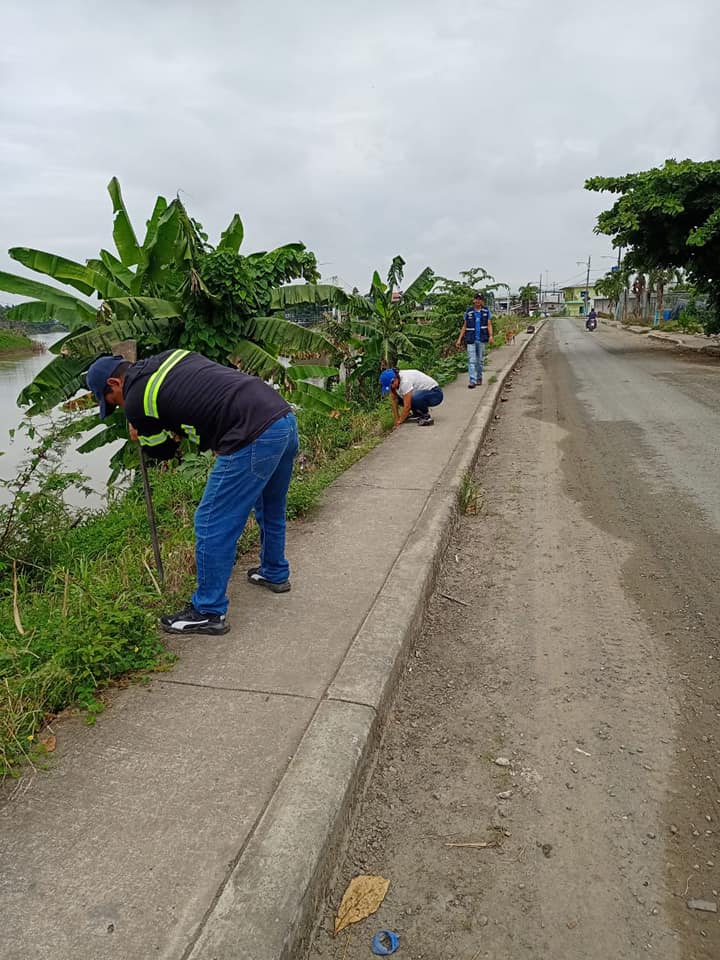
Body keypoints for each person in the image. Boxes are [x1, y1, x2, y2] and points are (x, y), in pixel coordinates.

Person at [86, 349, 299, 635]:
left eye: (113, 402)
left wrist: (143, 431)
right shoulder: (167, 357)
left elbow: (163, 452)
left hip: (251, 433)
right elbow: (200, 393)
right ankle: (274, 572)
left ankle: (208, 610)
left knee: (211, 521)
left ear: (114, 383)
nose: (120, 408)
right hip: (281, 416)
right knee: (270, 506)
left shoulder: (136, 400)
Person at [379, 367, 443, 426]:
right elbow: (394, 400)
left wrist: (400, 421)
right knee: (400, 398)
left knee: (413, 397)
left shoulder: (405, 381)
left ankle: (425, 416)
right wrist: (397, 418)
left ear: (395, 379)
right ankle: (417, 413)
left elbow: (407, 406)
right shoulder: (394, 382)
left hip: (435, 394)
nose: (391, 388)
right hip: (421, 394)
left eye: (391, 386)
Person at [456, 292, 493, 388]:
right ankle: (472, 380)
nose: (478, 301)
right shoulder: (469, 312)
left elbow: (489, 324)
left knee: (479, 361)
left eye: (480, 299)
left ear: (482, 301)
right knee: (471, 360)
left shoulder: (486, 311)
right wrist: (459, 339)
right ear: (474, 300)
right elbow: (464, 326)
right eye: (476, 299)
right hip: (471, 339)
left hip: (481, 339)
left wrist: (491, 336)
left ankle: (479, 378)